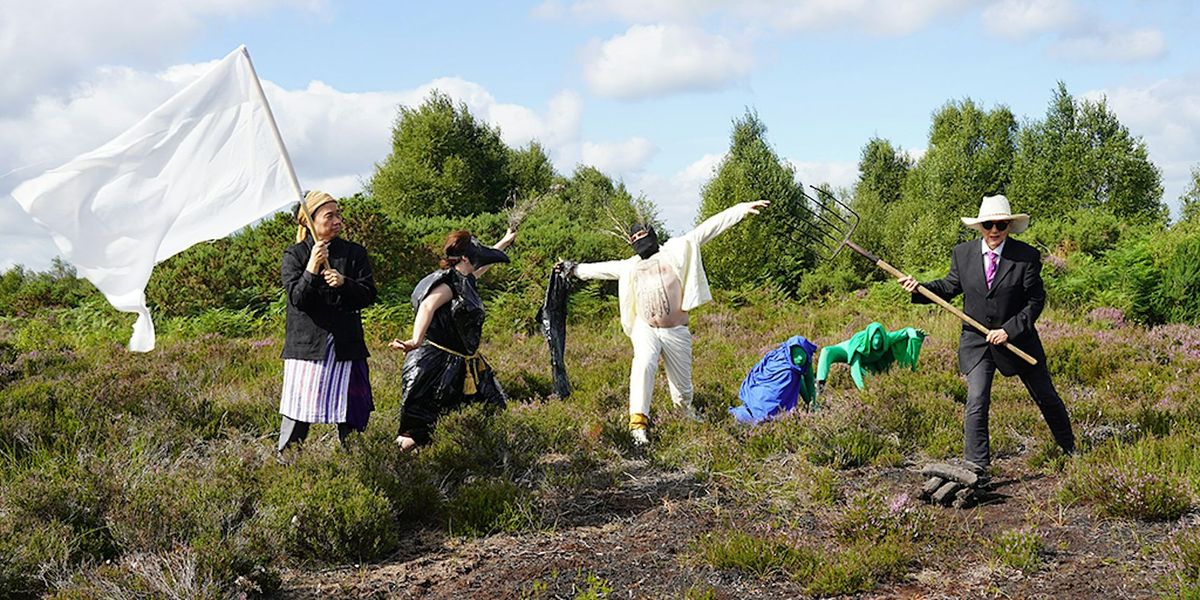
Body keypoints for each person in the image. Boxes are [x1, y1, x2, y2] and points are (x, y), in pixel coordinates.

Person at [561, 200, 769, 445]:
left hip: (676, 330)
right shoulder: (630, 266)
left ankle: (685, 413)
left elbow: (708, 228)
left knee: (682, 390)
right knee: (644, 363)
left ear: (653, 234)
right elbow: (600, 269)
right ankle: (638, 425)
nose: (639, 239)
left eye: (643, 234)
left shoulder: (677, 250)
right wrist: (572, 269)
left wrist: (741, 209)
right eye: (634, 237)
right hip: (645, 328)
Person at [898, 194, 1075, 478]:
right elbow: (949, 285)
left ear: (1008, 226)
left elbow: (1035, 301)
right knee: (977, 399)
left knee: (1046, 396)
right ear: (980, 226)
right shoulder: (963, 253)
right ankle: (976, 467)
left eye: (1001, 225)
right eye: (989, 224)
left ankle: (1070, 450)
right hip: (977, 340)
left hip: (1018, 339)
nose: (994, 231)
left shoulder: (1026, 257)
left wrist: (1009, 330)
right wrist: (919, 289)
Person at [389, 228, 517, 451]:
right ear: (466, 258)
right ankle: (396, 469)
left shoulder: (466, 279)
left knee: (491, 408)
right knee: (419, 428)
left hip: (465, 363)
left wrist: (505, 241)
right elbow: (428, 305)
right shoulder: (448, 284)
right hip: (436, 365)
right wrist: (415, 340)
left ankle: (479, 462)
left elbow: (485, 263)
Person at [278, 190, 377, 453]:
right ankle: (286, 465)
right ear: (309, 221)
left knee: (353, 411)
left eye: (338, 215)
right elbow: (297, 299)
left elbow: (368, 295)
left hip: (347, 346)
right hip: (307, 349)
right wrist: (312, 268)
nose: (337, 221)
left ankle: (358, 463)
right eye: (329, 215)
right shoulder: (295, 255)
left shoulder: (354, 253)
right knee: (297, 413)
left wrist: (345, 283)